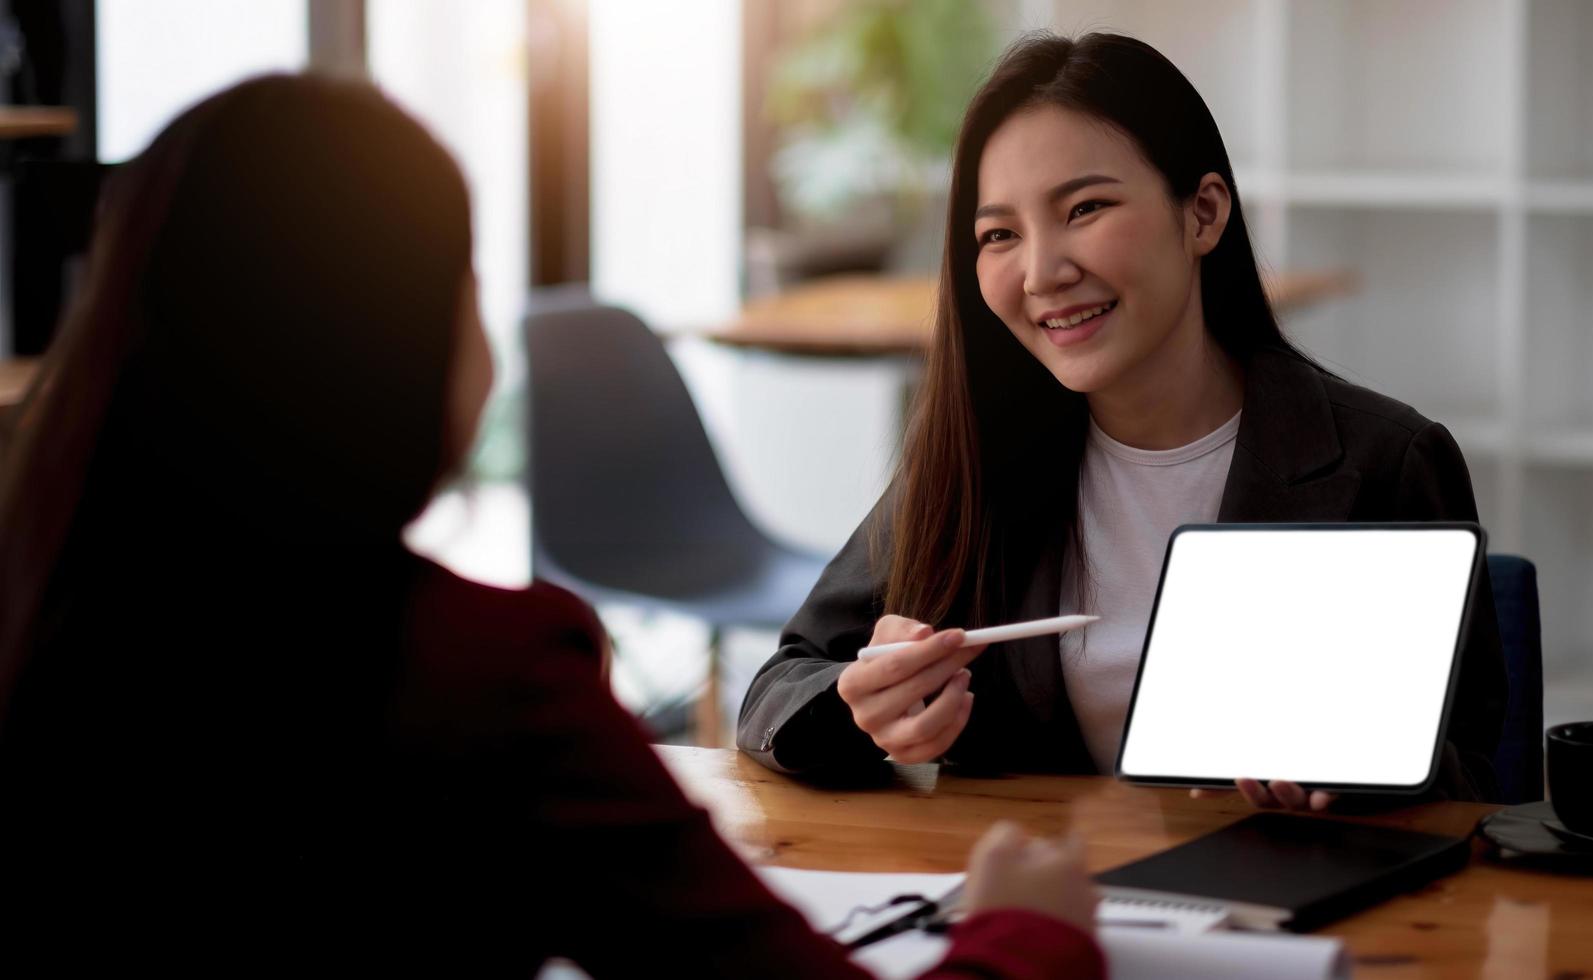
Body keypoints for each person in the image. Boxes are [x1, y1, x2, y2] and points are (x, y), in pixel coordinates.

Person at [0, 74, 1102, 977]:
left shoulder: (40, 604)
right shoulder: (482, 680)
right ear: (390, 346)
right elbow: (790, 689)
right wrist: (1026, 936)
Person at [738, 32, 1508, 809]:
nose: (1042, 272)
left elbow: (1476, 783)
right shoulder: (978, 458)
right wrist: (861, 706)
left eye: (1086, 208)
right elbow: (783, 684)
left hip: (1292, 909)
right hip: (1036, 905)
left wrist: (1351, 783)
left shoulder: (1384, 462)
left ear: (1203, 214)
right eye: (1000, 234)